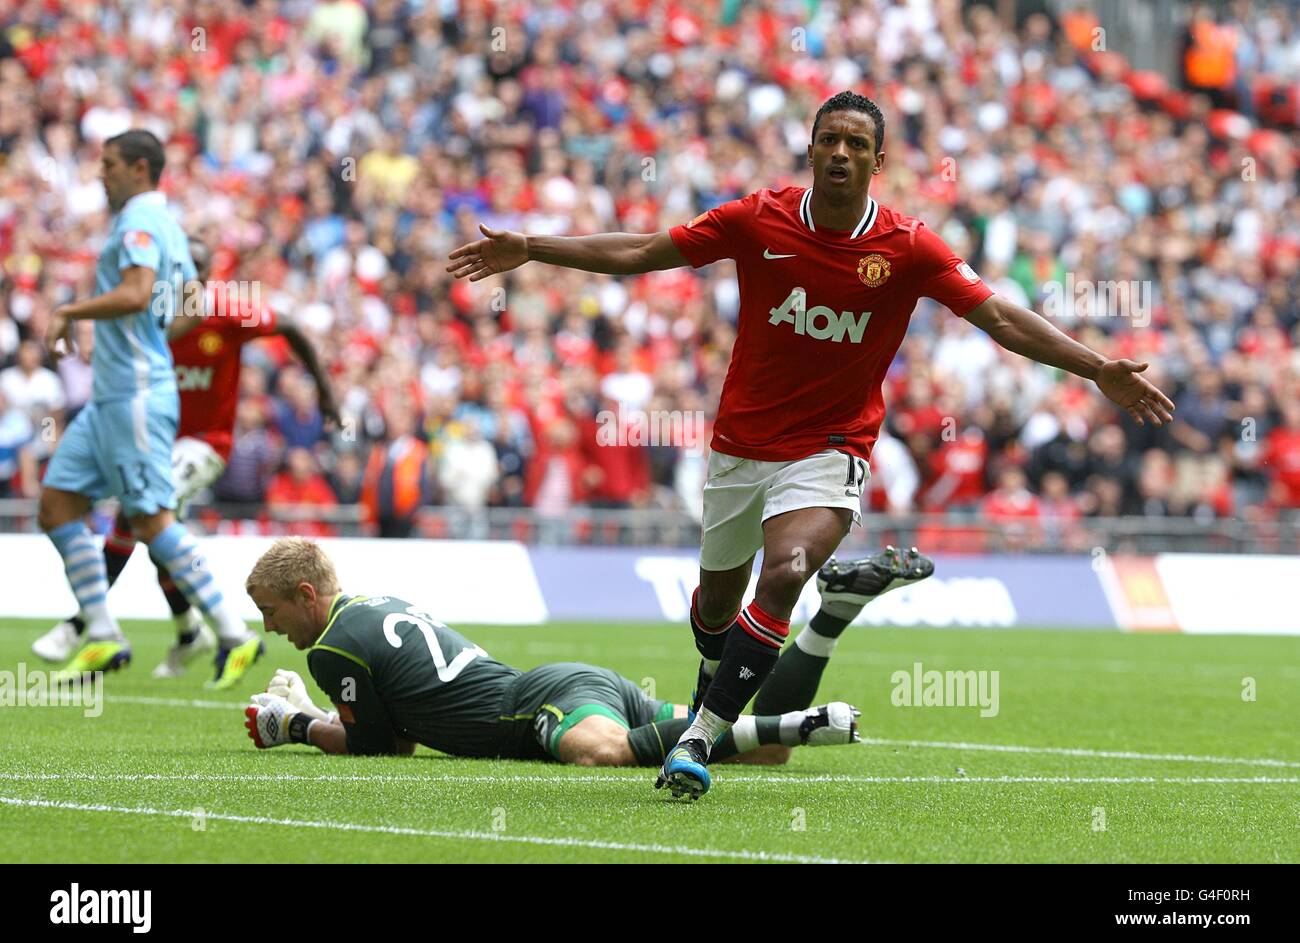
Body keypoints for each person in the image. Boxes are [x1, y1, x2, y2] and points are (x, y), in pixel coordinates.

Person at [446, 90, 1176, 798]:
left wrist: (1096, 367)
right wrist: (534, 246)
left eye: (857, 144)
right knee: (715, 611)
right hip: (740, 446)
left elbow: (1002, 318)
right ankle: (713, 688)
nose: (841, 152)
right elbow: (644, 249)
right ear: (811, 148)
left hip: (832, 446)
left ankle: (699, 735)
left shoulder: (908, 246)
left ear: (877, 161)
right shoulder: (757, 219)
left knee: (788, 568)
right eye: (830, 139)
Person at [242, 538, 931, 785]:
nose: (270, 627)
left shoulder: (333, 647)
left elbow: (381, 749)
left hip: (535, 706)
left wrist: (297, 723)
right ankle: (832, 615)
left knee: (600, 756)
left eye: (272, 610)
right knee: (760, 752)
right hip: (572, 684)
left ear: (307, 594)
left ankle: (796, 721)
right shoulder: (370, 603)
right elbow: (398, 724)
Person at [33, 236, 341, 678]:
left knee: (138, 512)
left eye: (196, 270)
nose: (186, 278)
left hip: (206, 445)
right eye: (179, 268)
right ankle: (188, 633)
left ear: (208, 275)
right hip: (154, 445)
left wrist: (326, 394)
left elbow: (290, 326)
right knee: (159, 538)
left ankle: (81, 624)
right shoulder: (150, 319)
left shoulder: (229, 312)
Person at [36, 130, 262, 688]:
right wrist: (152, 337)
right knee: (57, 504)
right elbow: (185, 303)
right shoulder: (168, 225)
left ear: (139, 168)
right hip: (112, 394)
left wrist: (70, 310)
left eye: (108, 164)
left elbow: (138, 293)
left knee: (150, 518)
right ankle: (103, 632)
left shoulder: (139, 223)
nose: (99, 173)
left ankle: (233, 632)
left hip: (135, 395)